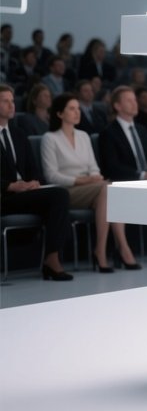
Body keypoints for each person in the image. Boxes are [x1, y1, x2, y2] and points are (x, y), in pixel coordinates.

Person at [41, 93, 140, 272]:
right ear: (60, 114)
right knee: (109, 189)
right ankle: (118, 249)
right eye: (72, 109)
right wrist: (82, 180)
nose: (77, 112)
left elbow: (93, 167)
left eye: (78, 108)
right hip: (65, 191)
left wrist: (94, 177)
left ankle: (104, 250)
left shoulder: (83, 136)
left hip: (91, 188)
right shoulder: (50, 138)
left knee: (111, 190)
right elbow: (51, 176)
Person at [0, 83, 72, 281]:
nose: (11, 105)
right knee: (59, 196)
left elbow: (34, 170)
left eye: (12, 101)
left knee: (60, 194)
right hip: (5, 196)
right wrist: (10, 186)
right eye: (5, 101)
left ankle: (52, 257)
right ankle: (51, 260)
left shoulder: (18, 134)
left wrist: (34, 182)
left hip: (25, 193)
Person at [98, 85, 147, 184]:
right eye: (129, 101)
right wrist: (143, 175)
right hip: (126, 182)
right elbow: (112, 168)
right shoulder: (108, 133)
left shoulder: (142, 130)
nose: (134, 103)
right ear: (117, 106)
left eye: (135, 100)